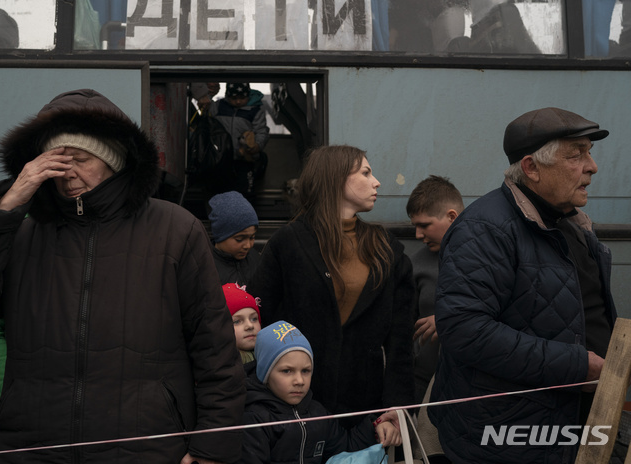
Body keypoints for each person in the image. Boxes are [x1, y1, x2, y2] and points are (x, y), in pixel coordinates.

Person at [0, 89, 246, 463]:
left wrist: (211, 445)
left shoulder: (176, 229)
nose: (67, 174)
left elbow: (214, 348)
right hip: (34, 446)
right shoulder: (20, 231)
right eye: (55, 162)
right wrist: (6, 205)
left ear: (113, 158)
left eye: (81, 159)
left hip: (146, 446)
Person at [429, 107, 617, 464]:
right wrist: (578, 366)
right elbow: (465, 329)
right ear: (531, 168)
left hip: (571, 423)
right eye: (576, 154)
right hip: (508, 439)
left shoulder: (571, 224)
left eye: (589, 152)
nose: (591, 166)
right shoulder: (484, 228)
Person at [247, 145, 416, 429]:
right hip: (294, 408)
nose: (376, 182)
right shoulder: (288, 243)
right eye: (365, 172)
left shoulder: (387, 248)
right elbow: (257, 319)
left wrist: (396, 410)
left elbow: (401, 342)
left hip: (366, 411)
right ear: (336, 179)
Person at [238, 320, 401, 464]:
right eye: (287, 371)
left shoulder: (317, 413)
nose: (299, 381)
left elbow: (346, 446)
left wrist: (376, 427)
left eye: (305, 371)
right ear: (264, 373)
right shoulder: (254, 418)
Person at [405, 175, 464, 404]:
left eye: (425, 225)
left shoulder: (487, 256)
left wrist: (449, 319)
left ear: (451, 217)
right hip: (423, 381)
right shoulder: (415, 264)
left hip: (471, 382)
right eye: (415, 226)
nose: (418, 235)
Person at [209, 82, 270, 198]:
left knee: (245, 192)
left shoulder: (255, 110)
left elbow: (261, 131)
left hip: (244, 159)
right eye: (233, 98)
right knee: (220, 192)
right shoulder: (218, 106)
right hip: (221, 159)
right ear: (227, 96)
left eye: (242, 98)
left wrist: (257, 145)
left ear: (248, 95)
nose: (238, 101)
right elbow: (208, 123)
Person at [209, 190, 261, 286]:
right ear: (220, 236)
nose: (248, 245)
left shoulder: (255, 259)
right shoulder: (207, 268)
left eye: (252, 237)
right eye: (239, 239)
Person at [223, 283, 262, 365]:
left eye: (254, 319)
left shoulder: (272, 358)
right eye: (237, 321)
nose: (250, 326)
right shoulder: (222, 365)